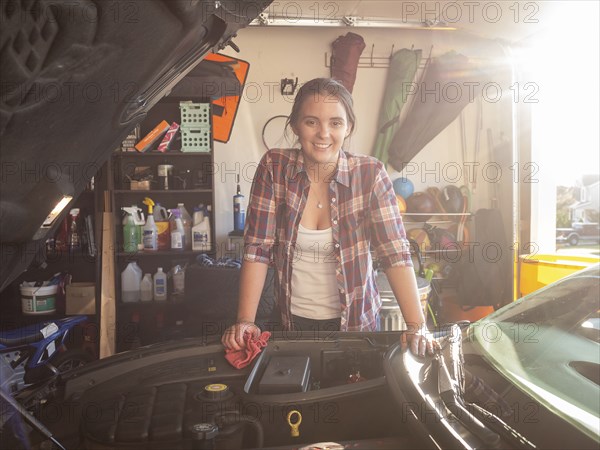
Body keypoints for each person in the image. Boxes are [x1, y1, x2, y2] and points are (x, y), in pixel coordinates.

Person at [222, 78, 437, 356]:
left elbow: (394, 253)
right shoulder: (274, 168)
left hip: (357, 328)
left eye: (335, 123)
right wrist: (245, 322)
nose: (324, 133)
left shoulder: (370, 174)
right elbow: (257, 249)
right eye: (311, 122)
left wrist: (417, 325)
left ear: (348, 128)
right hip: (291, 324)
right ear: (295, 126)